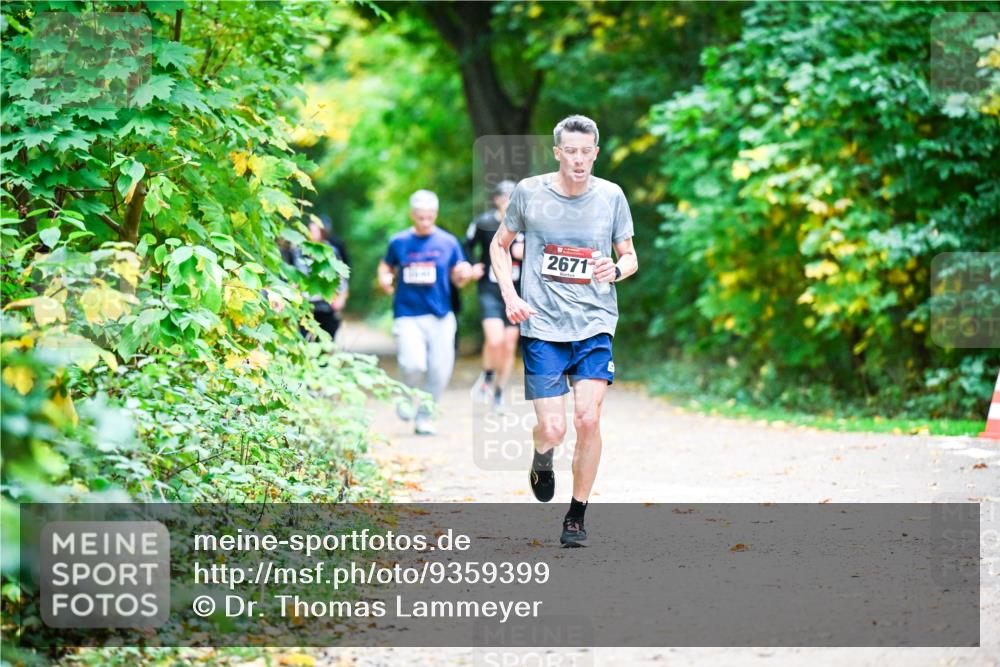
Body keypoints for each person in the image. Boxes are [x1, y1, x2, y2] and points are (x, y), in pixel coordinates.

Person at [489, 115, 638, 547]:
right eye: (569, 151)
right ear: (557, 153)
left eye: (585, 151)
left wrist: (617, 269)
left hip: (594, 324)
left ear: (595, 152)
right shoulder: (530, 193)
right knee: (553, 429)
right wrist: (510, 296)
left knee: (588, 418)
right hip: (542, 325)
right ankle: (542, 457)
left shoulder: (611, 196)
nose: (578, 159)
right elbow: (500, 245)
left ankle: (576, 515)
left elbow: (629, 255)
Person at [378, 189, 476, 435]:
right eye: (420, 217)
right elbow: (385, 266)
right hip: (408, 313)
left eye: (429, 217)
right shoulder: (398, 242)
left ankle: (424, 418)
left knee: (440, 370)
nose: (424, 222)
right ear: (412, 215)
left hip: (441, 314)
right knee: (413, 365)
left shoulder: (448, 242)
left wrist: (464, 273)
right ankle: (405, 395)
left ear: (435, 214)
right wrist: (385, 279)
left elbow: (459, 274)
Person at [465, 180, 524, 410]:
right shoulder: (485, 223)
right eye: (508, 198)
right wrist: (472, 265)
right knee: (495, 339)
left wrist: (525, 253)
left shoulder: (527, 225)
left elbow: (542, 252)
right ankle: (487, 376)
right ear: (498, 200)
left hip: (518, 291)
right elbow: (467, 245)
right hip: (491, 289)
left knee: (509, 344)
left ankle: (499, 391)